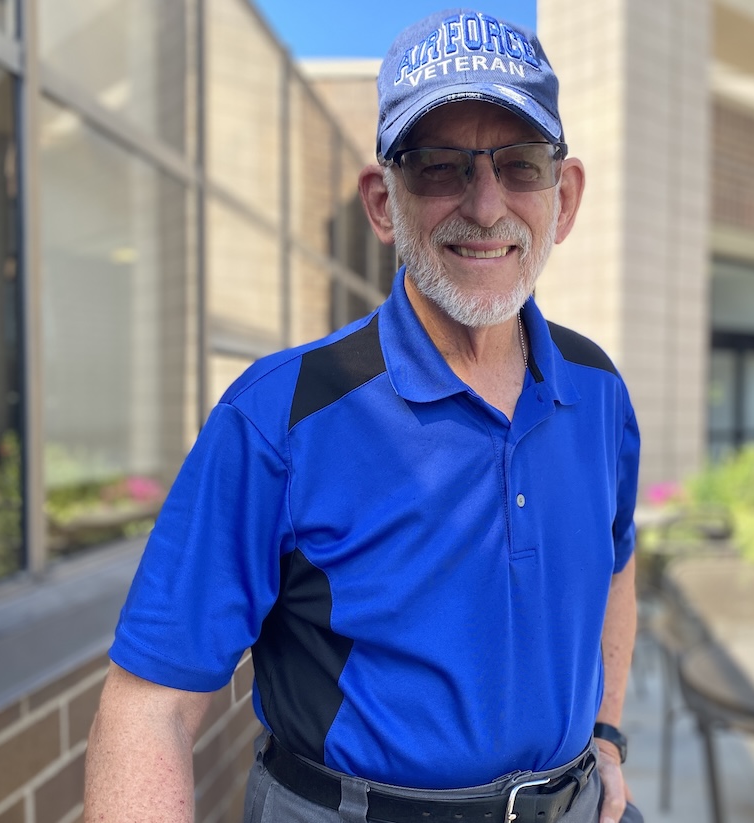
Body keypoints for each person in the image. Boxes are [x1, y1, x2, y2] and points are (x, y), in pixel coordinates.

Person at [84, 8, 642, 823]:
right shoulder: (280, 415)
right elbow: (150, 707)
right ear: (383, 202)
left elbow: (616, 563)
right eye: (440, 166)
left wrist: (607, 734)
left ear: (564, 197)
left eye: (520, 165)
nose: (486, 206)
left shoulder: (598, 392)